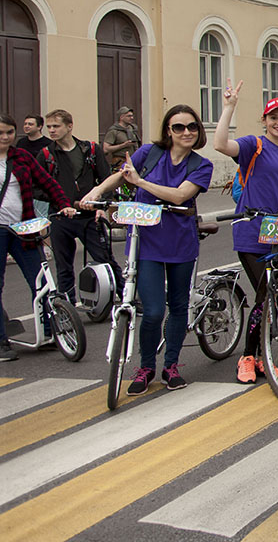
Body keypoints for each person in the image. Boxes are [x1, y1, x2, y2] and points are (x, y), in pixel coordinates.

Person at [82, 105, 213, 393]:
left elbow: (180, 195)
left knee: (178, 307)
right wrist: (96, 192)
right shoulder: (150, 153)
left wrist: (140, 182)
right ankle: (146, 367)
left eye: (192, 127)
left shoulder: (201, 165)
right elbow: (122, 174)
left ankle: (171, 366)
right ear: (169, 130)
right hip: (145, 241)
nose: (186, 132)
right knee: (153, 310)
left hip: (180, 242)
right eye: (178, 127)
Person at [212, 82, 278, 384]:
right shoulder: (253, 146)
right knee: (264, 294)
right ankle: (248, 357)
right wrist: (229, 107)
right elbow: (221, 145)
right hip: (251, 231)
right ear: (265, 120)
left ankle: (263, 357)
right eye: (274, 117)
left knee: (274, 296)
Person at [0, 114, 76, 362]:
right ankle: (2, 343)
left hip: (24, 228)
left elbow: (48, 183)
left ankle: (49, 333)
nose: (5, 137)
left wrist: (64, 204)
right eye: (1, 133)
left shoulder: (21, 157)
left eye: (10, 132)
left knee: (40, 282)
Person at [38, 109, 114, 303]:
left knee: (105, 260)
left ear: (69, 126)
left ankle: (124, 298)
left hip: (89, 217)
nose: (52, 131)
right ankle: (67, 308)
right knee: (63, 267)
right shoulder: (46, 154)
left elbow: (107, 181)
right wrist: (63, 203)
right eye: (49, 127)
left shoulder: (90, 149)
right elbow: (35, 188)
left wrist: (100, 206)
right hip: (61, 217)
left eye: (56, 126)